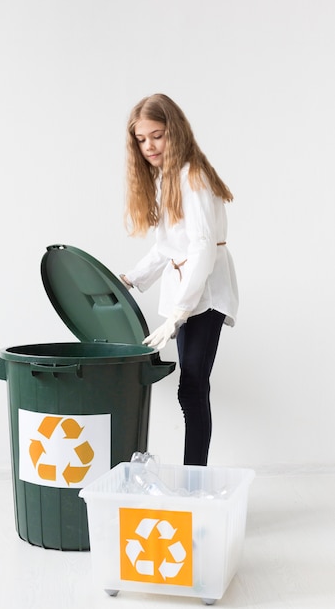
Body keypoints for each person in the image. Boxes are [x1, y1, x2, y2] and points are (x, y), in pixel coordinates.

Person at [120, 94, 238, 466]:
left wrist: (179, 313)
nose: (149, 146)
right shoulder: (168, 178)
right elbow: (168, 247)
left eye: (157, 136)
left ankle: (194, 480)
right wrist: (130, 279)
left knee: (192, 388)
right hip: (189, 295)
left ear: (176, 132)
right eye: (141, 139)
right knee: (190, 389)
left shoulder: (192, 176)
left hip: (204, 293)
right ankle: (193, 479)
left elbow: (203, 249)